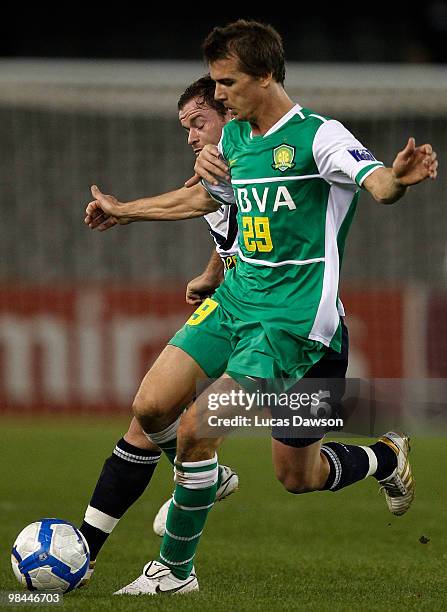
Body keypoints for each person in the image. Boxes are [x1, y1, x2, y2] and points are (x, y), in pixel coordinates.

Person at [87, 20, 437, 596]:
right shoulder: (236, 138)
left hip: (294, 324)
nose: (217, 95)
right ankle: (204, 478)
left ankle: (176, 573)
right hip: (235, 302)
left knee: (289, 473)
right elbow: (209, 196)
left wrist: (397, 180)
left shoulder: (318, 136)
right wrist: (127, 210)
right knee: (151, 407)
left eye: (226, 83)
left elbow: (377, 184)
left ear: (266, 75)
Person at [79, 76, 239, 585]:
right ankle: (91, 555)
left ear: (230, 112)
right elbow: (228, 214)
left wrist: (123, 210)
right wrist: (214, 271)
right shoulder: (215, 167)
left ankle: (381, 457)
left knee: (300, 470)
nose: (191, 136)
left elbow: (197, 203)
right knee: (148, 412)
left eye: (199, 122)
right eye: (185, 127)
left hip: (284, 310)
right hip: (233, 301)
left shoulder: (259, 155)